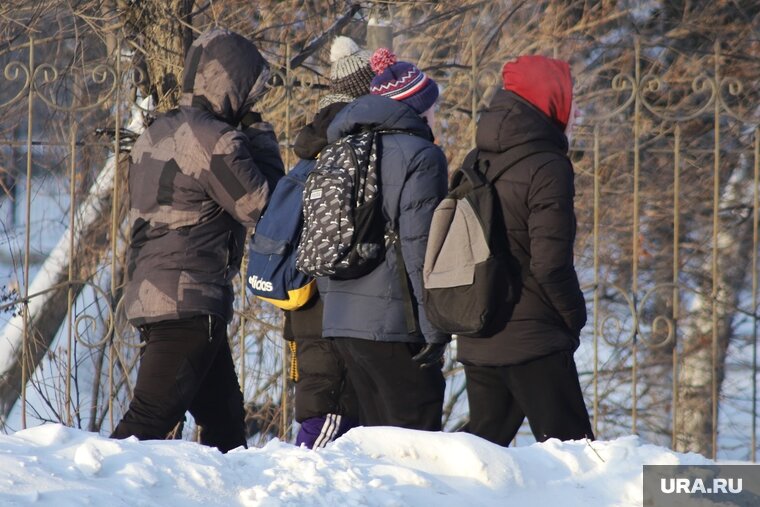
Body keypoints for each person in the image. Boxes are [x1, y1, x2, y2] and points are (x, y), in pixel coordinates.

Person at [112, 28, 284, 453]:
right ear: (231, 84)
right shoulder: (215, 141)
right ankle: (86, 488)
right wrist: (260, 138)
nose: (252, 101)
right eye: (250, 90)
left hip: (155, 292)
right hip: (187, 300)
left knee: (225, 422)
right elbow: (263, 208)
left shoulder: (158, 131)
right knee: (148, 420)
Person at [457, 55, 594, 446]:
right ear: (549, 99)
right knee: (578, 458)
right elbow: (550, 264)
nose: (577, 109)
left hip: (479, 330)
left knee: (481, 452)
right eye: (571, 97)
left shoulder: (477, 157)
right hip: (533, 337)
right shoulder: (548, 166)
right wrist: (572, 317)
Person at [317, 48, 449, 430]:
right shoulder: (421, 156)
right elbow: (420, 247)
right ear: (417, 109)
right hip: (394, 322)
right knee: (417, 441)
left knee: (378, 442)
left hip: (343, 322)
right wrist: (434, 326)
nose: (436, 116)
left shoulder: (340, 149)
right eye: (433, 108)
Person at [284, 36, 374, 448]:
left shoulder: (311, 149)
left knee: (322, 402)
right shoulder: (352, 148)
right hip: (333, 302)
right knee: (328, 418)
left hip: (304, 301)